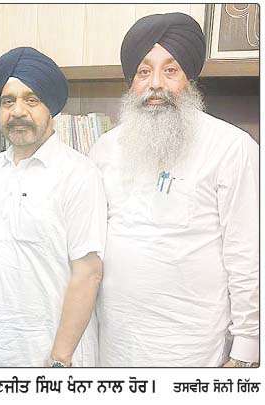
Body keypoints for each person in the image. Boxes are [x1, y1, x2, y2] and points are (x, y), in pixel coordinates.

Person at [89, 12, 259, 367]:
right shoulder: (104, 149)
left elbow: (248, 254)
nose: (155, 84)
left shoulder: (231, 147)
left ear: (189, 78)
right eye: (143, 72)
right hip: (115, 343)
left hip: (190, 349)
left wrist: (247, 347)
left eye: (170, 70)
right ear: (131, 82)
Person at [0, 47, 106, 367]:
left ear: (51, 108)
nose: (17, 111)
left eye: (31, 100)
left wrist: (60, 357)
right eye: (8, 101)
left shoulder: (78, 173)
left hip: (55, 355)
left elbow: (88, 273)